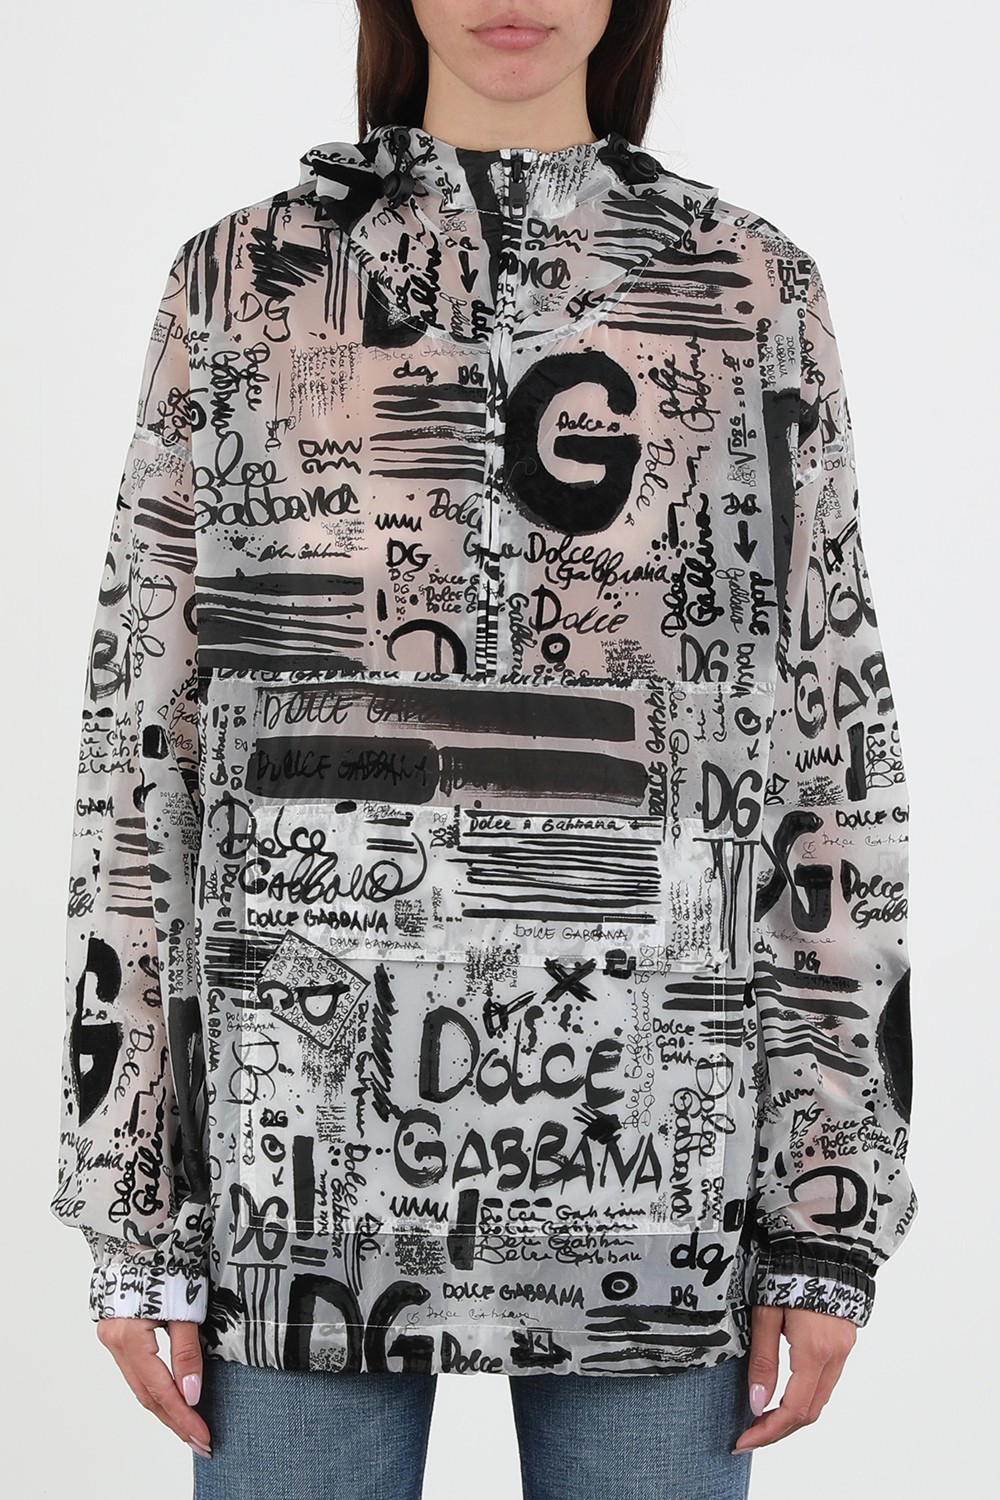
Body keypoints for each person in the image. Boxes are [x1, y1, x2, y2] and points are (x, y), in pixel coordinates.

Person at [51, 2, 918, 1496]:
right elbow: (148, 740)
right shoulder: (240, 283)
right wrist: (134, 1201)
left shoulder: (749, 286)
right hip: (298, 1162)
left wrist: (829, 1203)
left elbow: (829, 741)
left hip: (658, 1160)